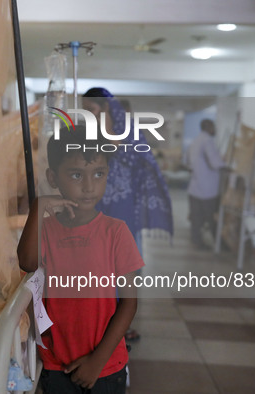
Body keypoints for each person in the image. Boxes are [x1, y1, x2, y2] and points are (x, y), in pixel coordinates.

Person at [17, 126, 144, 393]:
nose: (89, 186)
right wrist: (38, 208)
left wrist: (98, 361)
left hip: (105, 365)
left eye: (98, 174)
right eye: (76, 175)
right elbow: (27, 263)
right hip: (57, 362)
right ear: (54, 178)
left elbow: (129, 303)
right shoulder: (47, 229)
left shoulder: (115, 232)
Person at [82, 87, 173, 343]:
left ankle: (120, 326)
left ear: (106, 107)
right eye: (85, 110)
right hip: (96, 208)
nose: (88, 115)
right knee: (97, 267)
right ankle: (100, 324)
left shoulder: (131, 133)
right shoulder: (89, 134)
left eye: (91, 109)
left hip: (123, 209)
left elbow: (143, 162)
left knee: (124, 268)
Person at [186, 118, 226, 249]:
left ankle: (196, 241)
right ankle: (219, 244)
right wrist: (226, 166)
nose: (215, 130)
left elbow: (190, 162)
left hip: (195, 186)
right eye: (213, 127)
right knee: (211, 217)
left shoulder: (195, 141)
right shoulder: (208, 141)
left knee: (196, 219)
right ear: (209, 127)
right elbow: (215, 163)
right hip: (208, 189)